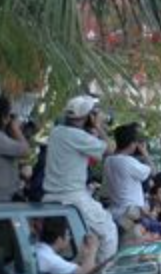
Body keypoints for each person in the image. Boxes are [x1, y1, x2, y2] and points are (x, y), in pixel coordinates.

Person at [43, 95, 117, 260]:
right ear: (87, 117)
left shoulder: (56, 132)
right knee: (109, 230)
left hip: (50, 196)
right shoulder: (79, 137)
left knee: (77, 242)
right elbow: (111, 149)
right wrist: (98, 126)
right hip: (73, 198)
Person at [104, 123, 152, 223]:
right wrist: (145, 153)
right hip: (130, 214)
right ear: (132, 144)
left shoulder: (108, 160)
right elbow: (152, 169)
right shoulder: (129, 162)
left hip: (114, 212)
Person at [34, 217, 99, 274]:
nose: (70, 238)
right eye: (68, 235)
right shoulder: (50, 259)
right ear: (59, 240)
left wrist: (80, 256)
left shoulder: (39, 249)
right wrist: (93, 249)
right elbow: (86, 273)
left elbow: (65, 266)